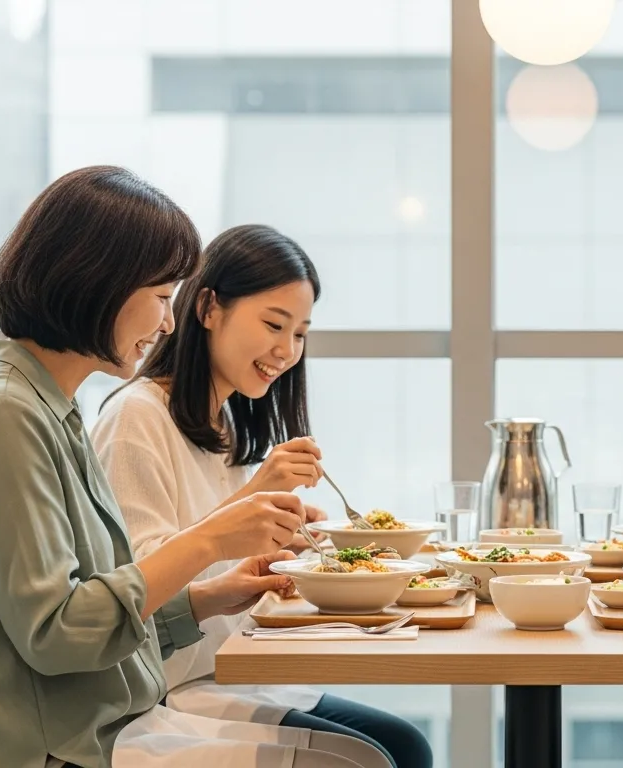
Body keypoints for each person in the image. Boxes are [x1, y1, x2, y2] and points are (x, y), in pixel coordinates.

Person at [0, 166, 390, 768]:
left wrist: (208, 597)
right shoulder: (3, 417)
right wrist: (213, 537)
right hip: (57, 748)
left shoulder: (45, 410)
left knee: (373, 756)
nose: (168, 322)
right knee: (361, 762)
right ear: (95, 282)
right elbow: (59, 634)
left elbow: (93, 613)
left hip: (106, 720)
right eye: (163, 298)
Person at [93, 224, 433, 768]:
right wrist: (256, 495)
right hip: (173, 688)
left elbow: (222, 561)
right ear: (207, 307)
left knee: (407, 744)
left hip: (231, 668)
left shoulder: (222, 422)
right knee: (382, 757)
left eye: (300, 333)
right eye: (274, 324)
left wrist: (287, 538)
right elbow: (143, 584)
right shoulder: (136, 417)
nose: (287, 350)